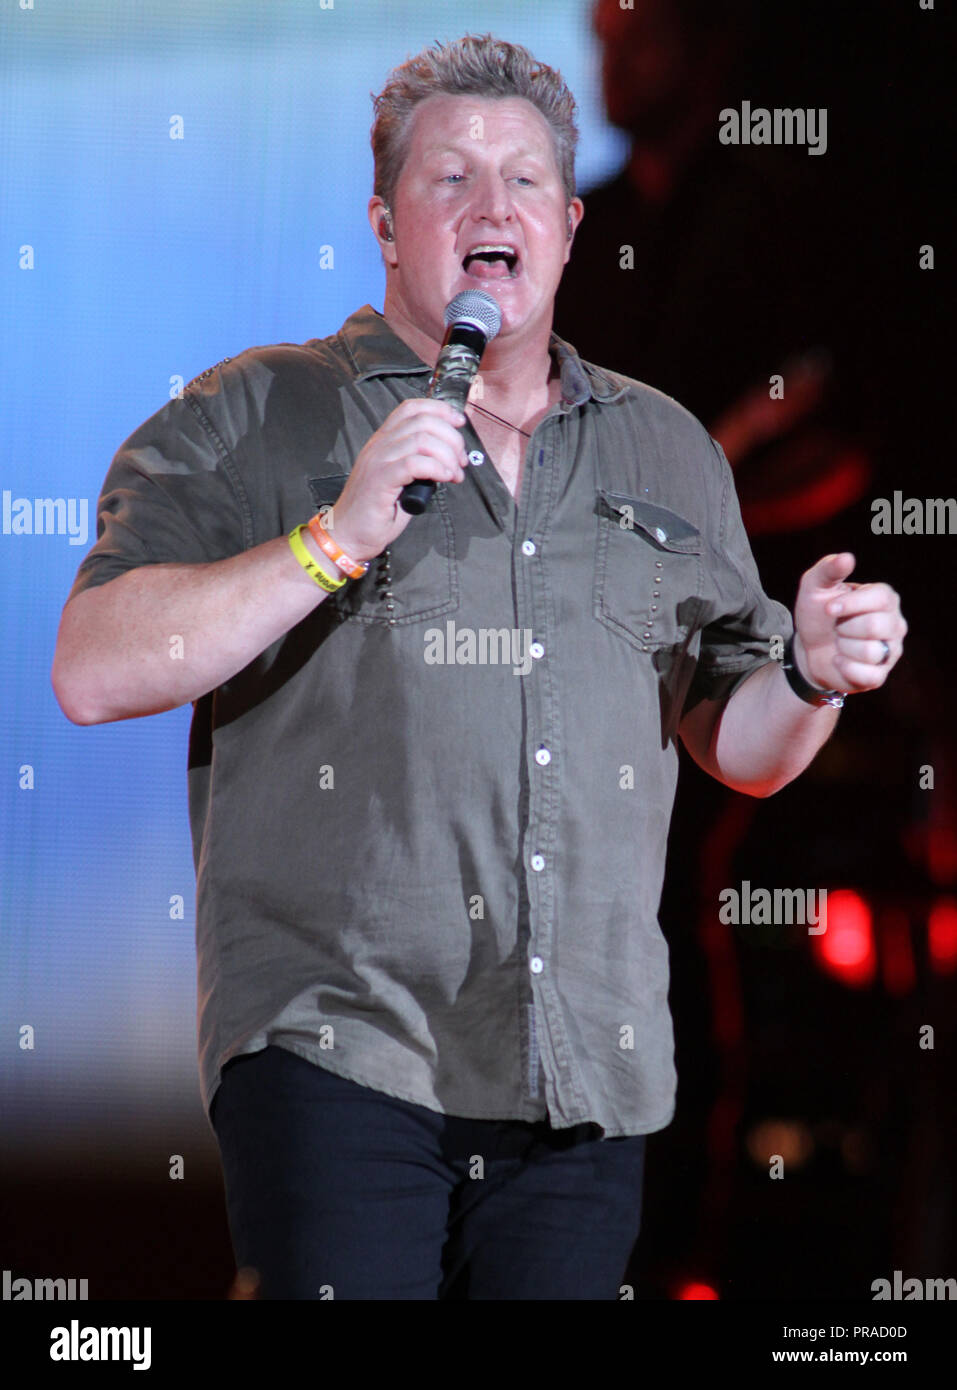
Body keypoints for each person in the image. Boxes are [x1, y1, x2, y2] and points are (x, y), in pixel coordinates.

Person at [51, 34, 906, 1301]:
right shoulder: (255, 414)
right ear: (388, 226)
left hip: (584, 1082)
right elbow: (92, 668)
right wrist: (332, 539)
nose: (489, 206)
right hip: (337, 1050)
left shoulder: (663, 450)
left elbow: (741, 744)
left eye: (520, 182)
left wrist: (818, 677)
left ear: (566, 226)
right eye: (449, 180)